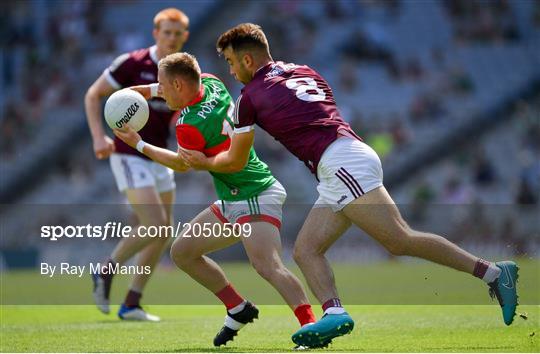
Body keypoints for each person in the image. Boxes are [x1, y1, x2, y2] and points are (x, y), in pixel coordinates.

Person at [180, 23, 519, 348]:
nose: (229, 70)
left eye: (230, 61)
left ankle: (492, 273)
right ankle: (334, 312)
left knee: (399, 239)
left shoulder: (249, 98)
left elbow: (235, 161)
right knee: (306, 250)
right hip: (345, 156)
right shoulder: (304, 70)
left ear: (248, 60)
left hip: (340, 162)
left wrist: (202, 162)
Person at [113, 52, 319, 347]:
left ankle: (310, 327)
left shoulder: (188, 124)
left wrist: (138, 143)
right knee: (183, 251)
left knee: (267, 266)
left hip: (253, 193)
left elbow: (182, 164)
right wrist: (141, 91)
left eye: (162, 84)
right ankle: (237, 307)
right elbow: (179, 87)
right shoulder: (212, 83)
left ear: (178, 85)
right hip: (233, 195)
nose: (159, 91)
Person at [84, 8, 189, 321]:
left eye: (177, 33)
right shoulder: (133, 63)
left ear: (185, 37)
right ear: (155, 33)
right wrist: (98, 137)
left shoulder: (183, 71)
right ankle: (105, 270)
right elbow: (94, 95)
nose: (172, 38)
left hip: (159, 154)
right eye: (166, 32)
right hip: (128, 154)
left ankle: (131, 302)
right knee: (155, 225)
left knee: (163, 232)